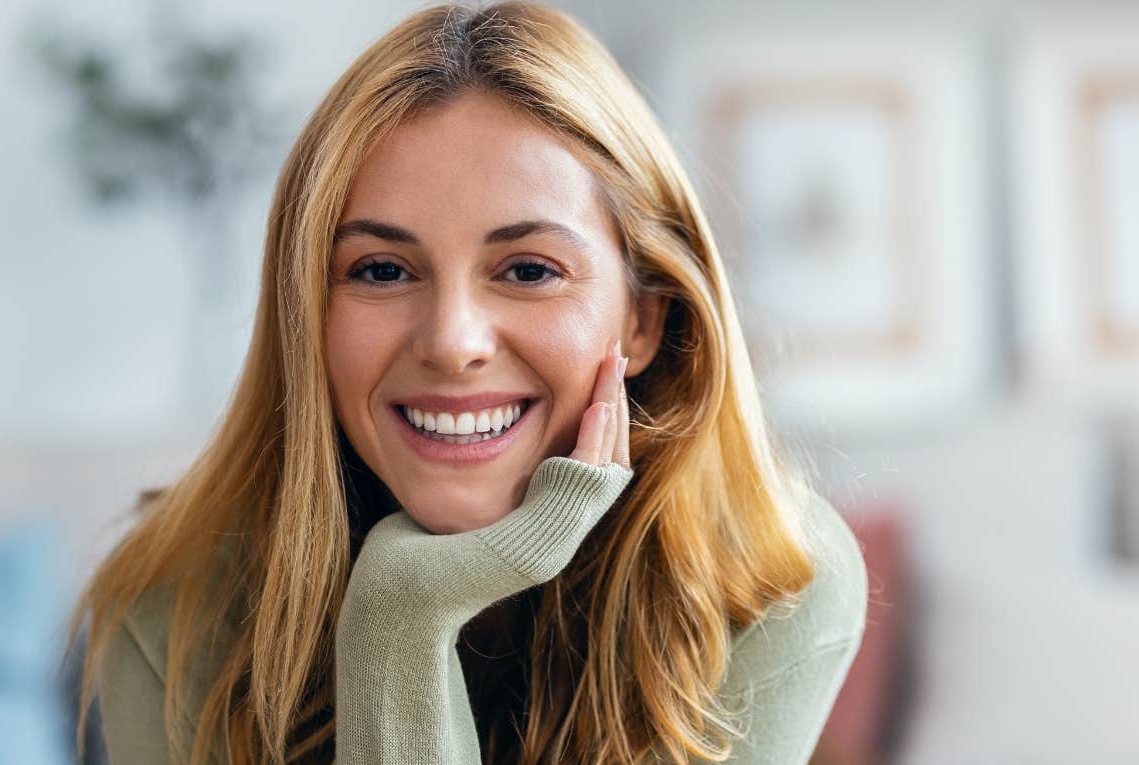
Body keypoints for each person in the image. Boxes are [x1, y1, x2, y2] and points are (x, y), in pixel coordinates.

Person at [66, 3, 868, 763]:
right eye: (382, 270)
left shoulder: (774, 581)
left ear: (643, 321)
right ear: (305, 312)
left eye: (528, 270)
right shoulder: (174, 604)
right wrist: (405, 619)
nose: (452, 342)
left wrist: (399, 612)